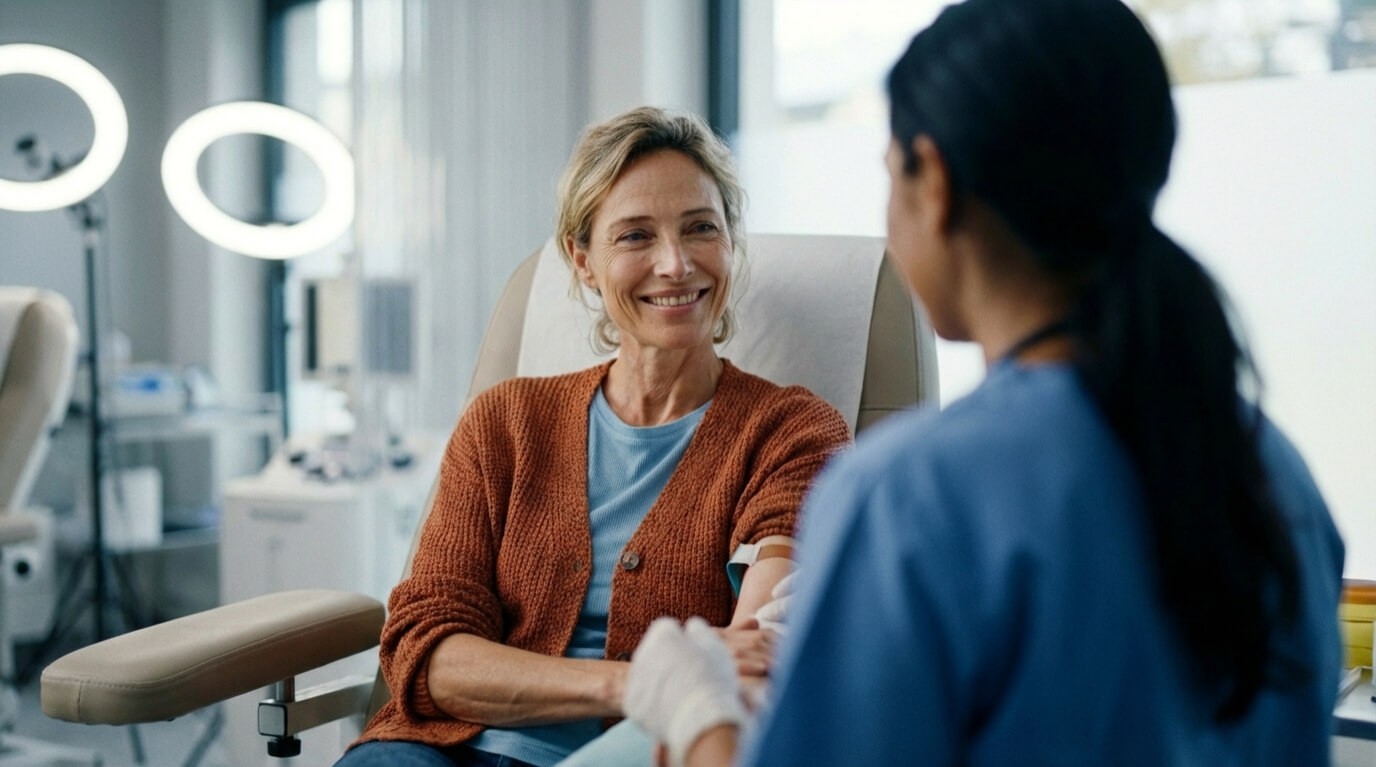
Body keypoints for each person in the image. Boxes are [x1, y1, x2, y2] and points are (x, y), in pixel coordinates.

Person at [621, 1, 1345, 765]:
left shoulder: (910, 497)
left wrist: (700, 712)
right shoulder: (1274, 476)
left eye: (890, 174)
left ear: (931, 181)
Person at [335, 106, 851, 767]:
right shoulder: (503, 424)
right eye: (635, 236)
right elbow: (428, 655)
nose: (675, 263)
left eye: (701, 229)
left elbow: (755, 656)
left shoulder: (790, 433)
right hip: (442, 751)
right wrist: (631, 681)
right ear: (582, 260)